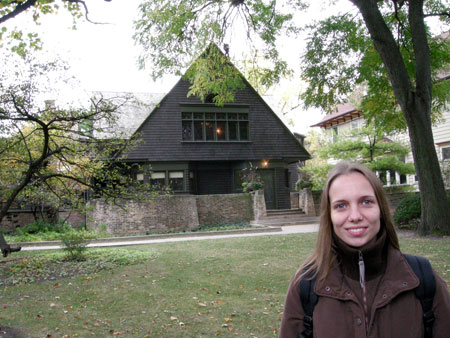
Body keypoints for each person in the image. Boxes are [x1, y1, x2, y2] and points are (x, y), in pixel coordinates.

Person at [279, 162, 450, 338]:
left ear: (381, 209)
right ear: (329, 215)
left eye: (366, 202)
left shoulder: (423, 279)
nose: (355, 216)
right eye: (341, 205)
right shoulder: (306, 284)